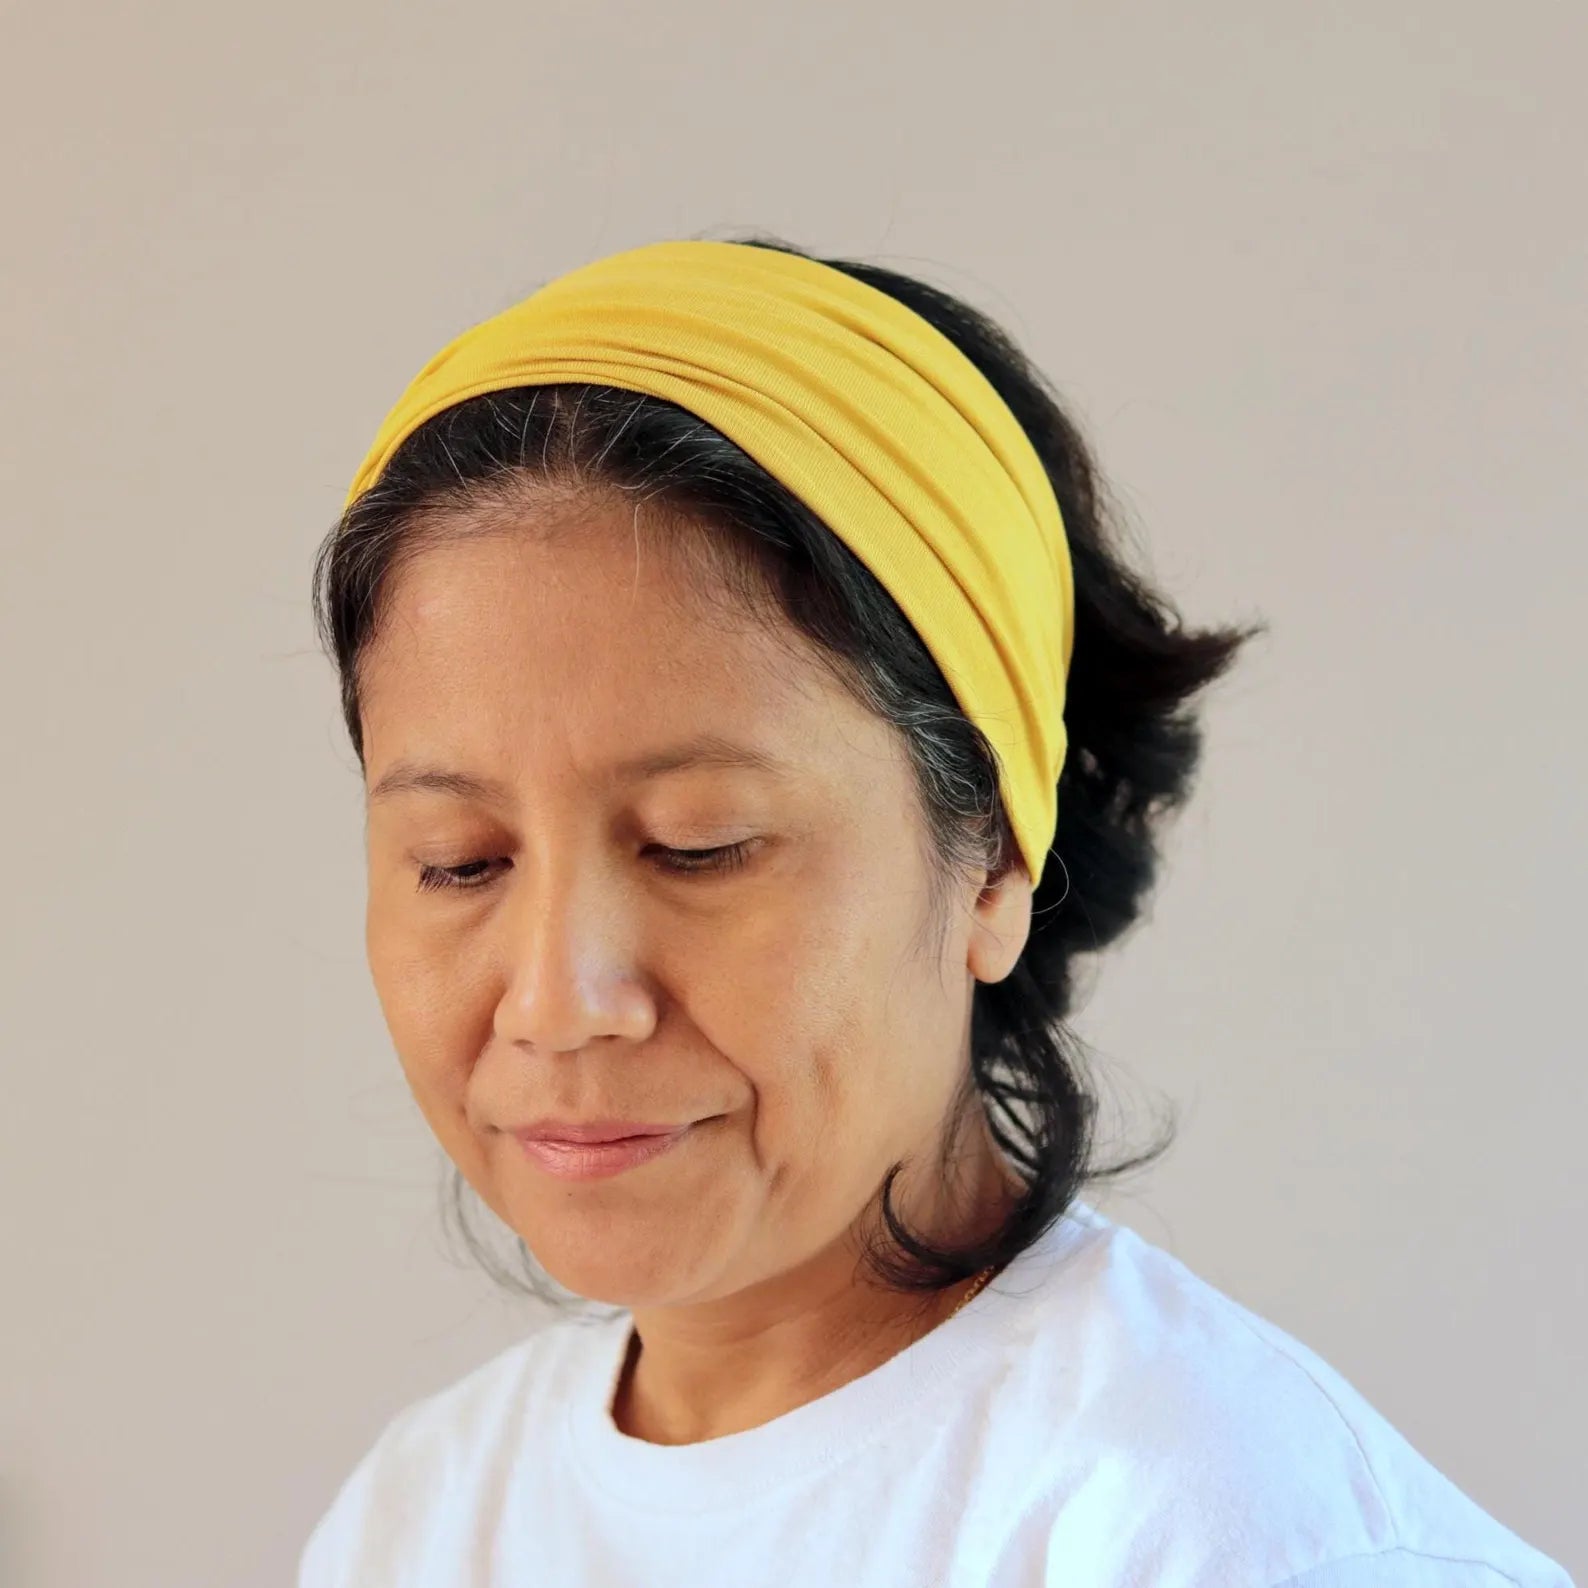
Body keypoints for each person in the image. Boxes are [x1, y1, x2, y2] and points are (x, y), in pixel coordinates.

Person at [298, 234, 1573, 1587]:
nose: (557, 999)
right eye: (459, 860)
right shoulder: (422, 1522)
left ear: (993, 866)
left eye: (699, 846)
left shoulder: (1228, 1535)